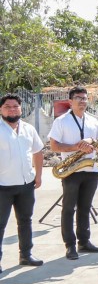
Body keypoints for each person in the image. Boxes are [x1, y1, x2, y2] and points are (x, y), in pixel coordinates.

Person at [48, 86, 98, 260]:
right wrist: (76, 147)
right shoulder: (61, 121)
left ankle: (84, 241)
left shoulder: (93, 121)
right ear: (71, 101)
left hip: (90, 169)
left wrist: (91, 141)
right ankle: (70, 245)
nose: (82, 101)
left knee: (85, 207)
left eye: (85, 98)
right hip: (71, 170)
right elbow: (54, 145)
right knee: (68, 209)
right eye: (78, 98)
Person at [0, 93, 44, 272]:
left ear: (21, 108)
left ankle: (26, 254)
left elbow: (38, 151)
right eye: (7, 107)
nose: (12, 109)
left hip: (26, 184)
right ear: (1, 110)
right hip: (3, 185)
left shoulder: (28, 128)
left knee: (25, 221)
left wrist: (38, 175)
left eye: (15, 106)